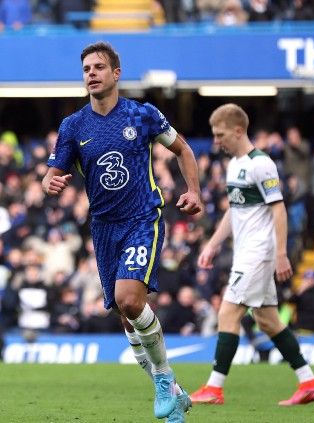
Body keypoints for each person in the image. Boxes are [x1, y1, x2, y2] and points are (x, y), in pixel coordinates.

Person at [42, 42, 201, 421]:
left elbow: (183, 151)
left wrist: (193, 190)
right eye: (86, 68)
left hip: (142, 219)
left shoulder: (142, 115)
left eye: (99, 66)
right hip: (103, 228)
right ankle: (174, 391)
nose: (91, 73)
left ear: (116, 73)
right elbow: (53, 172)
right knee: (127, 316)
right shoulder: (73, 126)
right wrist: (50, 182)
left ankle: (163, 379)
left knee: (130, 299)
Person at [190, 103, 314, 406]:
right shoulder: (233, 165)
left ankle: (214, 388)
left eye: (220, 134)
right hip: (246, 252)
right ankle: (310, 382)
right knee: (268, 320)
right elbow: (234, 211)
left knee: (228, 312)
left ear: (238, 131)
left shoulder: (260, 164)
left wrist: (281, 253)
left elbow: (278, 209)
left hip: (259, 253)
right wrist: (212, 244)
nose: (216, 141)